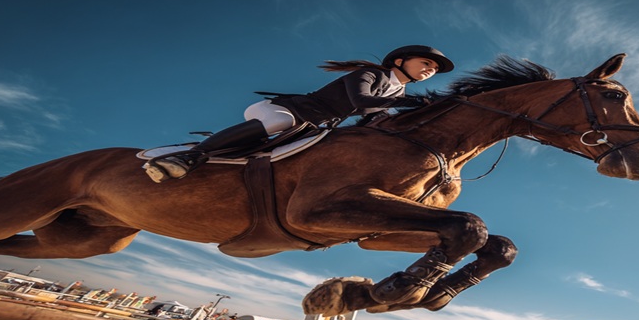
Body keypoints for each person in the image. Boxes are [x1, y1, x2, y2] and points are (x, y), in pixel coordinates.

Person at [143, 45, 454, 182]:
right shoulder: (369, 74)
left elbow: (371, 119)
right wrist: (410, 105)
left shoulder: (397, 93)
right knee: (279, 123)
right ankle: (191, 156)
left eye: (434, 70)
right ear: (400, 61)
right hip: (291, 110)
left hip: (317, 127)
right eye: (426, 63)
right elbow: (361, 102)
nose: (430, 70)